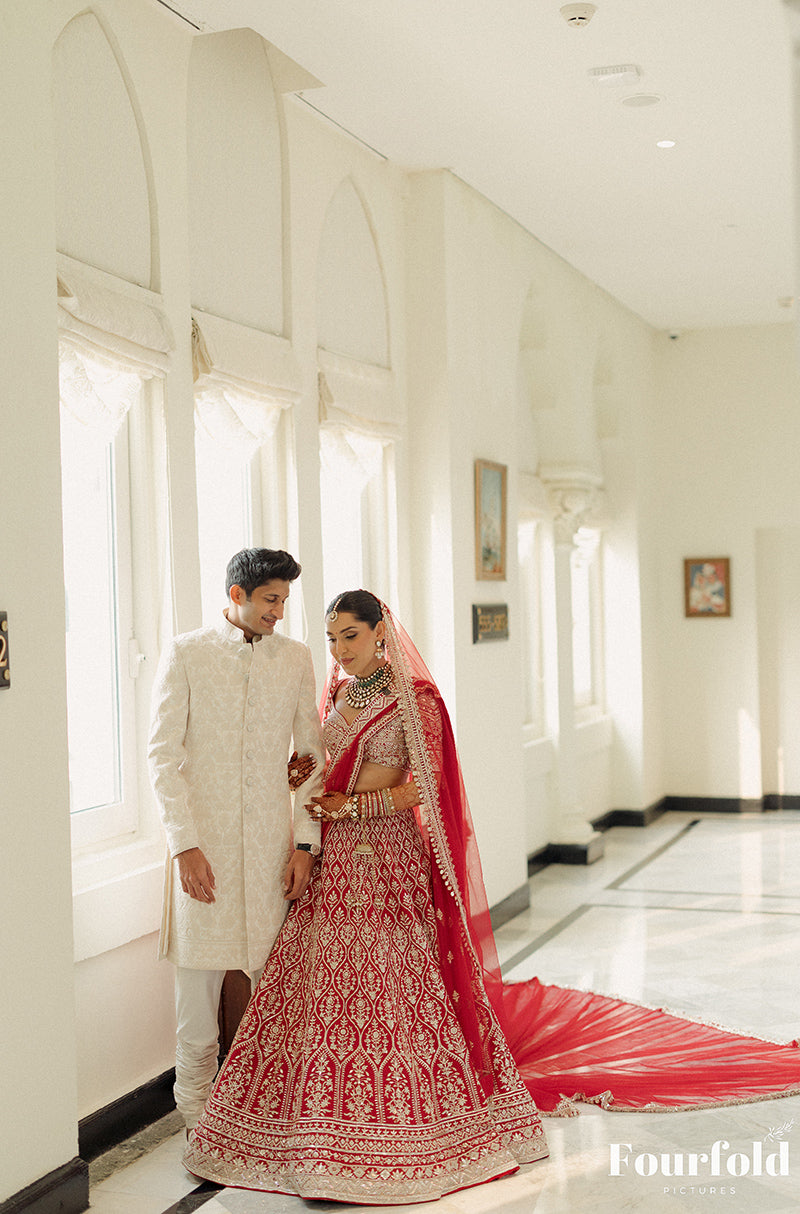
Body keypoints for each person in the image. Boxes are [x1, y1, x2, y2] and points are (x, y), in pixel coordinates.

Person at [184, 591, 800, 1201]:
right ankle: (314, 1119)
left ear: (380, 632)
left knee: (394, 984)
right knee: (326, 985)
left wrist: (357, 805)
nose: (341, 651)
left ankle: (405, 1116)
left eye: (351, 635)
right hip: (335, 862)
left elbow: (425, 787)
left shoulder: (414, 699)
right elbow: (317, 763)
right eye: (332, 639)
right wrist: (297, 781)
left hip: (389, 857)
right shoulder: (338, 695)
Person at [148, 548, 325, 1133]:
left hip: (272, 851)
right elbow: (162, 757)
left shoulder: (295, 659)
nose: (280, 611)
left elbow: (307, 759)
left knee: (272, 980)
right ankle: (197, 1117)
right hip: (206, 851)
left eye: (284, 600)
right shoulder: (187, 652)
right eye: (270, 599)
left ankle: (266, 1110)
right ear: (236, 595)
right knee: (197, 992)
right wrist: (184, 844)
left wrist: (305, 842)